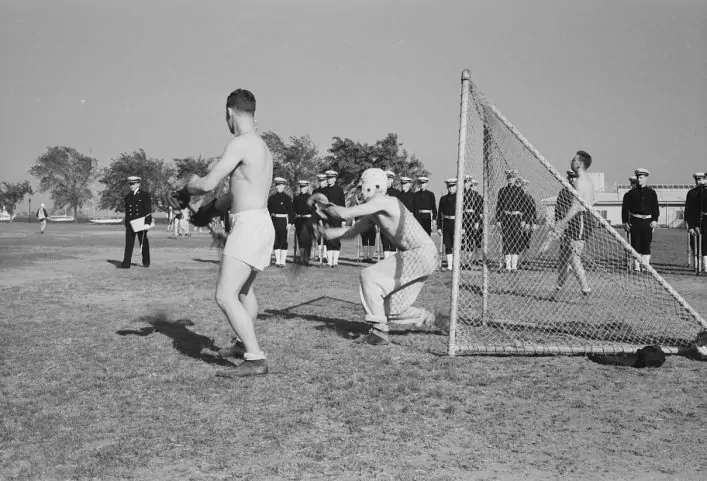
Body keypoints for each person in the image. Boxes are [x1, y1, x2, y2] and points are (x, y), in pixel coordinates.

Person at [181, 88, 275, 377]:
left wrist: (188, 186)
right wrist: (209, 210)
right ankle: (240, 344)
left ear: (229, 112)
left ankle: (255, 358)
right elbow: (235, 194)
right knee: (244, 292)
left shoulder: (241, 143)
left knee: (224, 295)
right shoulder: (261, 147)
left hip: (249, 227)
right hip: (259, 222)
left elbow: (208, 183)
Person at [314, 168, 438, 345]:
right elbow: (351, 231)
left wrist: (324, 205)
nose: (361, 190)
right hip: (423, 256)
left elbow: (344, 214)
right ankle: (432, 318)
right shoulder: (377, 208)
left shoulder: (385, 201)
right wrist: (325, 233)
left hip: (420, 253)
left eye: (362, 186)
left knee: (369, 276)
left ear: (372, 185)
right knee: (389, 309)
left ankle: (379, 332)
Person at [554, 152, 595, 295]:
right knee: (564, 257)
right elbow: (559, 210)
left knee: (573, 256)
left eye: (573, 176)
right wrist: (559, 225)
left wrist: (564, 222)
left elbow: (577, 207)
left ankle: (585, 288)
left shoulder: (581, 184)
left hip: (580, 221)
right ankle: (557, 289)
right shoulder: (564, 192)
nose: (571, 179)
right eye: (569, 177)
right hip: (569, 225)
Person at [621, 168, 659, 272]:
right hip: (635, 221)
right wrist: (625, 221)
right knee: (635, 244)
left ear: (646, 178)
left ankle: (645, 266)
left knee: (646, 244)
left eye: (641, 177)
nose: (639, 179)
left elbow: (655, 208)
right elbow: (625, 209)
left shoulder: (652, 193)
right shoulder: (630, 194)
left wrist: (655, 220)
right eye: (638, 177)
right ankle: (637, 266)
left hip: (648, 222)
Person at [495, 169, 525, 272]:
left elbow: (524, 207)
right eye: (509, 177)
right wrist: (498, 219)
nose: (510, 180)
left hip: (516, 217)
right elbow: (499, 206)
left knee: (516, 239)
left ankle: (514, 266)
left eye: (512, 177)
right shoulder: (502, 191)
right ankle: (507, 266)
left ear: (515, 178)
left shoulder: (519, 191)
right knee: (507, 240)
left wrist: (523, 220)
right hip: (506, 217)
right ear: (507, 178)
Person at [120, 176, 152, 269]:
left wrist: (147, 223)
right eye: (130, 184)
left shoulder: (144, 195)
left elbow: (148, 210)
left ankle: (146, 261)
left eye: (133, 184)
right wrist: (126, 223)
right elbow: (127, 211)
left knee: (143, 243)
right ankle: (126, 263)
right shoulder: (128, 197)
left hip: (140, 222)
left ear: (138, 184)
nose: (131, 186)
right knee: (129, 243)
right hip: (130, 223)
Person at [268, 177, 294, 267]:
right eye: (277, 185)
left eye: (281, 185)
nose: (279, 187)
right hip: (274, 220)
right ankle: (277, 261)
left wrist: (290, 223)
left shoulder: (287, 198)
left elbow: (290, 211)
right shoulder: (271, 198)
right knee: (275, 240)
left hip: (283, 221)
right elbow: (269, 211)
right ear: (276, 186)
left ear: (284, 186)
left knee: (283, 240)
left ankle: (283, 261)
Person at [685, 172, 706, 271]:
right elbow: (688, 210)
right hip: (696, 222)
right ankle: (697, 265)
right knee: (695, 244)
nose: (699, 181)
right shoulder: (691, 193)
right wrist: (690, 225)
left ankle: (705, 266)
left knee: (705, 244)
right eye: (697, 180)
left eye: (701, 179)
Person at [323, 170, 345, 267]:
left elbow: (343, 206)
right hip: (327, 218)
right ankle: (329, 261)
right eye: (328, 178)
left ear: (335, 179)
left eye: (331, 178)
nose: (329, 180)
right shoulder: (323, 191)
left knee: (336, 240)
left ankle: (335, 261)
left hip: (336, 218)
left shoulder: (339, 190)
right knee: (328, 239)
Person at [437, 178, 458, 271]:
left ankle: (456, 265)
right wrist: (438, 227)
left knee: (456, 245)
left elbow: (463, 214)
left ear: (456, 186)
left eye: (452, 186)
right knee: (448, 245)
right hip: (446, 223)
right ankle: (449, 266)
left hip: (456, 223)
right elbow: (439, 214)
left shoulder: (459, 198)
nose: (450, 188)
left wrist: (463, 227)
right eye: (449, 186)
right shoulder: (443, 198)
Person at [462, 175, 483, 262]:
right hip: (463, 217)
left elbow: (478, 210)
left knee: (472, 239)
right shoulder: (461, 194)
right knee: (462, 239)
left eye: (469, 182)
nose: (468, 184)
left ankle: (471, 259)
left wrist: (477, 221)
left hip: (473, 218)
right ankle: (463, 259)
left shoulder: (477, 196)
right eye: (466, 182)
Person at [380, 170, 401, 258]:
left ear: (392, 181)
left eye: (389, 179)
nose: (387, 181)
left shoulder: (397, 193)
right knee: (385, 241)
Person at [293, 180, 314, 265]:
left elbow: (313, 211)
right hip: (299, 221)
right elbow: (293, 211)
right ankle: (302, 259)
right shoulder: (296, 198)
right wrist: (293, 221)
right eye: (301, 187)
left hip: (308, 220)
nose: (302, 189)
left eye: (304, 187)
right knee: (300, 240)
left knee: (308, 240)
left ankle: (307, 259)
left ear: (307, 187)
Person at [517, 177, 537, 265]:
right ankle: (519, 259)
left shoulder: (530, 197)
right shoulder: (517, 197)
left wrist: (534, 223)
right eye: (523, 185)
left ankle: (526, 258)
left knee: (527, 240)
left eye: (526, 185)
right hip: (519, 221)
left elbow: (534, 211)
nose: (524, 187)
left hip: (528, 221)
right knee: (519, 240)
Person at [313, 173, 329, 262]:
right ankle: (320, 255)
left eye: (322, 181)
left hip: (326, 216)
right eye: (320, 181)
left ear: (326, 181)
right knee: (318, 236)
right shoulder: (315, 191)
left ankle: (325, 255)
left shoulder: (328, 191)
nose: (321, 182)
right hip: (316, 216)